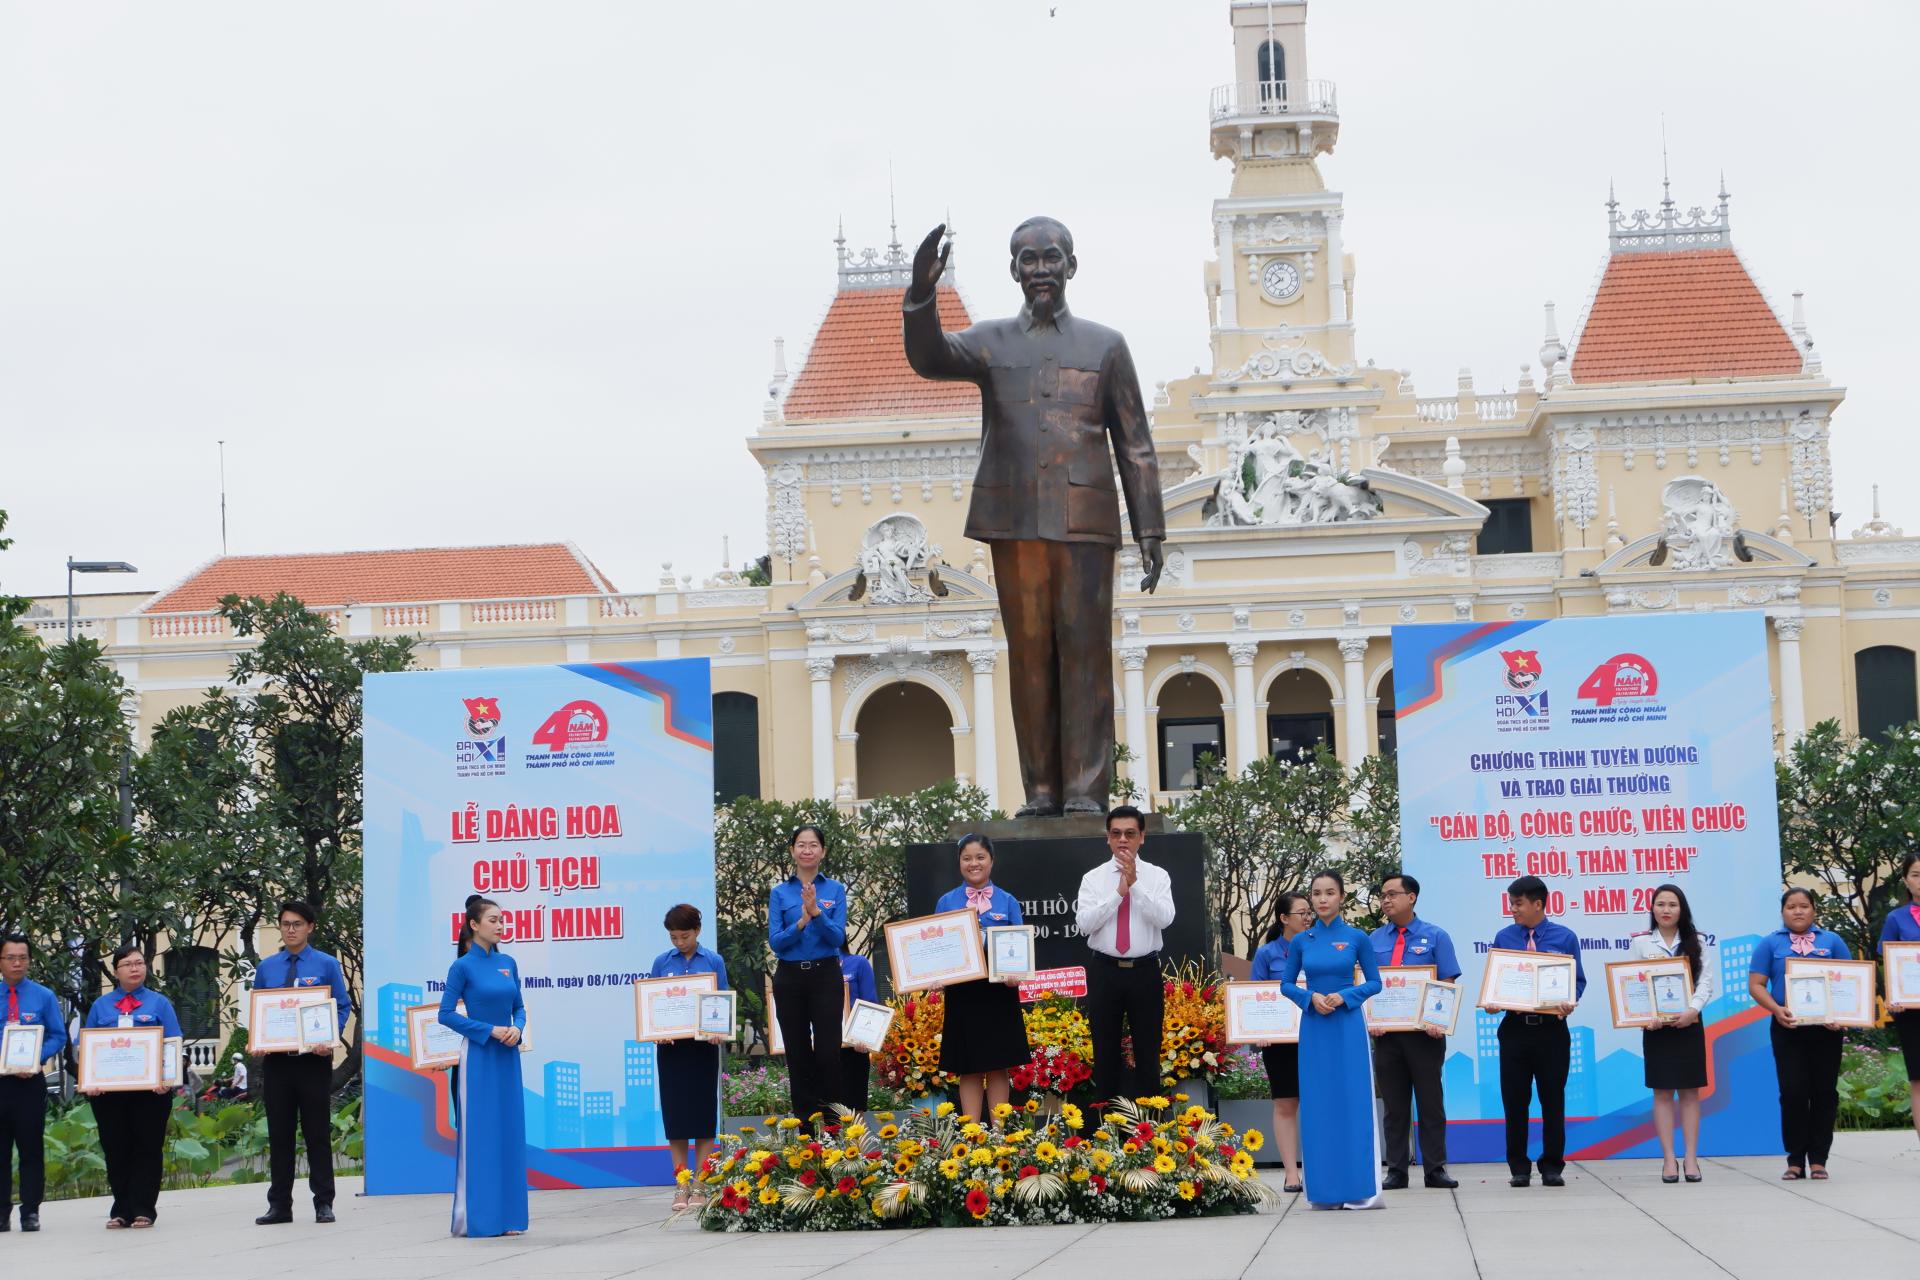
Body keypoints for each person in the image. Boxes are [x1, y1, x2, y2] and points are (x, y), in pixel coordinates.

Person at [902, 218, 1166, 816]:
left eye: (1051, 258)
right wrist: (921, 296)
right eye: (1028, 259)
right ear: (1014, 270)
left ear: (1071, 266)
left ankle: (1086, 792)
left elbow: (1136, 444)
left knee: (1086, 656)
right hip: (1014, 520)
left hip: (1087, 523)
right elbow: (930, 356)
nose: (1040, 269)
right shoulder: (991, 342)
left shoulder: (1106, 345)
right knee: (1028, 656)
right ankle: (1042, 791)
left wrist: (1150, 527)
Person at [1282, 870, 1384, 1210]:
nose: (1323, 899)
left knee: (1351, 1101)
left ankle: (1357, 1188)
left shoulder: (1357, 937)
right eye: (1317, 893)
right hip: (1314, 1027)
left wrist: (1345, 997)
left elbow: (1375, 983)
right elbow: (1286, 985)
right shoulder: (1302, 941)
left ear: (1341, 897)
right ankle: (1324, 1191)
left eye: (1330, 893)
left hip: (1347, 1025)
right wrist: (1310, 998)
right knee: (1318, 1104)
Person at [251, 899, 350, 1226]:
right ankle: (280, 1205)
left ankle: (324, 1201)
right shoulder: (268, 967)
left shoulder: (325, 964)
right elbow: (259, 1010)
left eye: (297, 924)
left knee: (317, 1133)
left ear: (310, 927)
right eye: (285, 924)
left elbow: (341, 1006)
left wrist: (329, 1037)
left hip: (313, 1061)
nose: (290, 929)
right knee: (279, 1135)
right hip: (277, 1063)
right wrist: (258, 1039)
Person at [438, 896, 529, 1236]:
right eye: (493, 920)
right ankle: (479, 1218)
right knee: (481, 1135)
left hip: (508, 1055)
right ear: (474, 925)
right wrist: (488, 1030)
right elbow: (445, 1014)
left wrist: (517, 1028)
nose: (500, 925)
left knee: (508, 1132)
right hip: (478, 1057)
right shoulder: (462, 966)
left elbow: (518, 1005)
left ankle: (509, 1218)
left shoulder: (509, 962)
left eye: (502, 919)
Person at [1747, 886, 1851, 1180]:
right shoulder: (1770, 944)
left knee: (1824, 1093)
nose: (1798, 911)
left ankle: (1819, 1159)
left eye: (1804, 905)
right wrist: (1776, 1009)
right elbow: (1756, 985)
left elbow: (1851, 983)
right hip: (1787, 1028)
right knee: (1792, 1092)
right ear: (1783, 912)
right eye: (1791, 906)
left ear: (1814, 910)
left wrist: (1840, 1017)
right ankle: (1795, 1159)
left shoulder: (1831, 941)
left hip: (1826, 1031)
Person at [1075, 805, 1175, 1107]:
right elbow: (1084, 924)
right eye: (1116, 833)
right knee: (1104, 1053)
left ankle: (1148, 1133)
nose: (1123, 840)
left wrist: (1136, 886)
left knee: (1147, 1052)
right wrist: (1119, 892)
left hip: (1144, 971)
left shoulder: (1157, 876)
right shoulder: (1093, 878)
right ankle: (1108, 1135)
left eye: (1130, 833)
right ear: (1107, 838)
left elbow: (1165, 918)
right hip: (1105, 970)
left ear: (1141, 837)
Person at [1491, 874, 1587, 1188]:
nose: (1513, 910)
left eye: (1518, 904)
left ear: (1538, 904)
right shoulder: (1504, 937)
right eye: (1511, 903)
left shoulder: (1565, 937)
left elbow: (1578, 981)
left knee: (1552, 1099)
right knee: (1515, 1101)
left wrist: (1569, 1001)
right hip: (1515, 1030)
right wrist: (1493, 1001)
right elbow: (1497, 981)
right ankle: (1518, 1166)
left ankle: (1552, 1166)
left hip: (1551, 1032)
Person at [1367, 873, 1461, 1190]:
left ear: (1412, 897)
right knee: (1394, 1107)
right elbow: (1366, 984)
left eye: (1392, 894)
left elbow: (1446, 982)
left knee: (1430, 1103)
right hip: (1387, 1036)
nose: (1386, 900)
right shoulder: (1373, 940)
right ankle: (1396, 1169)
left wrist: (1439, 1020)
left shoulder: (1436, 937)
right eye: (1383, 895)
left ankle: (1435, 1169)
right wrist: (1370, 1018)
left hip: (1425, 1035)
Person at [82, 945, 182, 1229]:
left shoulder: (159, 1003)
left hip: (151, 1093)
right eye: (127, 964)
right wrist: (90, 1081)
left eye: (139, 963)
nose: (135, 968)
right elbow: (87, 1047)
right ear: (116, 971)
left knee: (147, 1148)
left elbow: (174, 1045)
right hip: (109, 1094)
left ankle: (144, 1209)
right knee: (116, 1148)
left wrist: (168, 1079)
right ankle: (120, 1209)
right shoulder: (101, 1006)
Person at [933, 833, 1030, 1122]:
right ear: (959, 862)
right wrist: (937, 976)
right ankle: (973, 1135)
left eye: (979, 857)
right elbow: (935, 946)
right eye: (966, 858)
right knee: (969, 1065)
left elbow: (1019, 947)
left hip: (999, 992)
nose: (973, 863)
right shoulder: (947, 901)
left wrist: (1017, 975)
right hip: (964, 992)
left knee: (999, 1064)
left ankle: (999, 1134)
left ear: (991, 861)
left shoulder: (1008, 901)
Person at [1629, 884, 1716, 1183]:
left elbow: (1705, 983)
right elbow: (1635, 986)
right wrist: (1644, 1016)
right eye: (1660, 904)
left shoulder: (1698, 942)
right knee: (1662, 1092)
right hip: (1656, 1029)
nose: (1666, 910)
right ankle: (1668, 1160)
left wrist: (1692, 1010)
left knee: (1690, 1092)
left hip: (1690, 1024)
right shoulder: (1641, 944)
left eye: (1672, 904)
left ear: (1682, 910)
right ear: (1652, 909)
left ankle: (1691, 1159)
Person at [648, 904, 728, 1212]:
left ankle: (701, 1185)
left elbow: (721, 999)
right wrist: (657, 1030)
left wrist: (717, 1028)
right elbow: (651, 1004)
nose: (680, 943)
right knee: (677, 1119)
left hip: (702, 1048)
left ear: (697, 931)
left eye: (685, 936)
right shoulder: (660, 962)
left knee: (703, 1118)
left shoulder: (713, 960)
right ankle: (681, 1186)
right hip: (671, 1051)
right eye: (674, 938)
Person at [768, 824, 848, 1128]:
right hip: (790, 978)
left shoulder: (835, 890)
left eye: (813, 845)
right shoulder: (780, 892)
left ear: (823, 851)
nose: (807, 850)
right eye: (801, 844)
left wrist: (817, 912)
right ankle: (804, 1130)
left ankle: (834, 1128)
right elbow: (776, 942)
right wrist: (800, 922)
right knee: (798, 1056)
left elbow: (837, 936)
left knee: (828, 1054)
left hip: (825, 975)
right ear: (792, 851)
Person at [1, 933, 66, 1233]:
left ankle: (30, 1211)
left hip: (29, 1083)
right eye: (11, 958)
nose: (17, 963)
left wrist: (36, 1058)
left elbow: (58, 1035)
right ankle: (1, 1212)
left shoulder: (43, 996)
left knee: (30, 1148)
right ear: (1, 961)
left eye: (23, 958)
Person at [1250, 891, 1310, 1193]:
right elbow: (1254, 1000)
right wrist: (1259, 1030)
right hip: (1280, 1041)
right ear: (1284, 918)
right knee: (1286, 1104)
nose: (1308, 916)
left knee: (1317, 1104)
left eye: (1309, 911)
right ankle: (1291, 1174)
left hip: (1317, 1035)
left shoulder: (1319, 947)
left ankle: (1319, 1168)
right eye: (1301, 912)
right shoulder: (1267, 954)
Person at [1880, 853, 1920, 1147]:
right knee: (1919, 1079)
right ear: (1906, 880)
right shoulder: (1896, 918)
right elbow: (1888, 961)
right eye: (1916, 874)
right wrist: (1892, 996)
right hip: (1912, 1011)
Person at [838, 943, 878, 1117]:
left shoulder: (858, 963)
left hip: (854, 1045)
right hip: (820, 1043)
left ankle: (857, 1144)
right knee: (823, 1105)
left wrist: (863, 1037)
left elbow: (870, 1003)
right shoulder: (809, 966)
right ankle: (826, 1144)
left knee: (854, 1107)